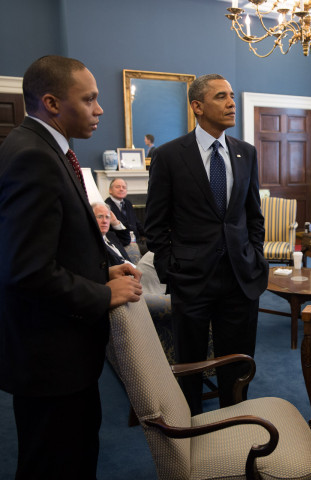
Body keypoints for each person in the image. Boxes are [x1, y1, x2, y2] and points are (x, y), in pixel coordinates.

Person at [0, 55, 142, 479]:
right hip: (49, 359)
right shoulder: (33, 156)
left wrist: (102, 271)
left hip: (60, 353)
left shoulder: (49, 148)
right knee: (56, 463)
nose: (100, 110)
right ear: (52, 103)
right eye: (90, 99)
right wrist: (103, 293)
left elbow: (57, 247)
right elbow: (26, 269)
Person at [145, 73, 268, 414]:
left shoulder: (246, 153)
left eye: (232, 95)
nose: (232, 103)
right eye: (221, 97)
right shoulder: (169, 156)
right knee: (191, 369)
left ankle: (237, 425)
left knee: (238, 366)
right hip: (191, 280)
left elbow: (253, 215)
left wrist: (255, 256)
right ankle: (192, 435)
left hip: (240, 279)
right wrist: (172, 268)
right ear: (197, 106)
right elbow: (154, 226)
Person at [104, 177, 145, 248]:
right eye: (118, 187)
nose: (121, 189)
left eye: (124, 187)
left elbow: (136, 222)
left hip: (136, 240)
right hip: (120, 243)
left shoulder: (127, 203)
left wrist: (147, 234)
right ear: (110, 190)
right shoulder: (106, 206)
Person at [92, 202, 134, 267]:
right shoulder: (91, 241)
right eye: (100, 217)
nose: (105, 221)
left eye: (107, 217)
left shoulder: (111, 235)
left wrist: (115, 222)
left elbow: (126, 240)